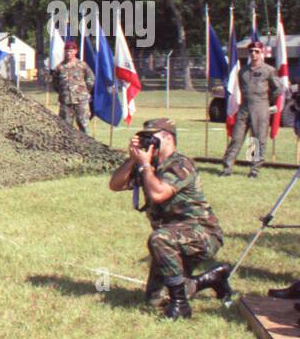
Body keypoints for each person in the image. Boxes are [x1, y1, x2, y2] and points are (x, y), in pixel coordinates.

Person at [108, 118, 231, 317]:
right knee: (155, 299)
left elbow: (158, 194)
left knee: (159, 238)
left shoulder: (181, 165)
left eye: (150, 138)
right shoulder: (147, 166)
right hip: (172, 239)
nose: (146, 142)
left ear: (167, 139)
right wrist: (133, 159)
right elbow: (115, 185)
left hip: (201, 235)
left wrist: (145, 166)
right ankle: (211, 279)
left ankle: (180, 305)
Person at [220, 39, 284, 178]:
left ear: (261, 53)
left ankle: (254, 169)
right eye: (251, 51)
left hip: (260, 107)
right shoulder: (243, 71)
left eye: (257, 51)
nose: (254, 54)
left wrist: (267, 102)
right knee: (236, 137)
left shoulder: (269, 70)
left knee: (256, 139)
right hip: (244, 107)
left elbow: (278, 88)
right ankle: (227, 167)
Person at [51, 39, 94, 133]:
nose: (68, 53)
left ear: (75, 51)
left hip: (81, 101)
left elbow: (91, 79)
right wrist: (63, 93)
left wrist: (84, 92)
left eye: (71, 51)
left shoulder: (82, 65)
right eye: (66, 51)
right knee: (65, 128)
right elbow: (55, 83)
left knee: (84, 126)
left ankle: (86, 146)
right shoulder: (60, 67)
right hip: (66, 102)